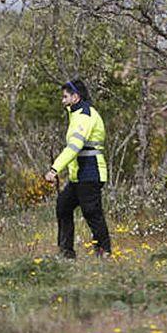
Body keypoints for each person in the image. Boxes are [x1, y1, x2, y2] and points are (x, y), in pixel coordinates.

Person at [44, 80, 111, 259]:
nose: (62, 100)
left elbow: (74, 147)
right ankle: (66, 254)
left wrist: (54, 169)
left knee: (91, 212)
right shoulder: (76, 114)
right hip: (78, 175)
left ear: (76, 97)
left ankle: (104, 252)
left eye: (65, 96)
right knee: (63, 206)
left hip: (91, 172)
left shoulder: (85, 115)